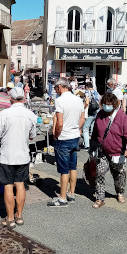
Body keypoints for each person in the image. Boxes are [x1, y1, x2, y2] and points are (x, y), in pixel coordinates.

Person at [0, 87, 36, 228]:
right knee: (20, 184)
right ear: (23, 98)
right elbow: (32, 135)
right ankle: (19, 216)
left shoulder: (5, 114)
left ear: (10, 99)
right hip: (23, 154)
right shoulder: (30, 114)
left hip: (8, 155)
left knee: (8, 186)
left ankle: (10, 218)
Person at [90, 93, 127, 208]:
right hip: (103, 152)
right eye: (105, 104)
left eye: (109, 104)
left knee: (119, 175)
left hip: (118, 152)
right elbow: (95, 133)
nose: (106, 106)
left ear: (114, 105)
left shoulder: (121, 116)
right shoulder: (100, 115)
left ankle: (120, 192)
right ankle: (100, 198)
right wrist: (92, 148)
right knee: (99, 173)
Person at [47, 79, 85, 207]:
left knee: (64, 170)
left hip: (64, 137)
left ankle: (62, 198)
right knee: (72, 167)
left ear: (60, 87)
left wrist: (57, 135)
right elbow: (82, 118)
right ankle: (71, 193)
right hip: (74, 136)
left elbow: (60, 122)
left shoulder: (60, 100)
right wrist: (77, 129)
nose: (55, 90)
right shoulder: (78, 99)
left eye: (55, 88)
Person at [82, 82, 100, 149]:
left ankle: (87, 145)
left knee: (85, 128)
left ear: (86, 86)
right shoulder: (96, 92)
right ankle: (93, 143)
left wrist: (83, 108)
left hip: (91, 112)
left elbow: (87, 102)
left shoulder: (87, 92)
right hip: (97, 112)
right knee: (92, 129)